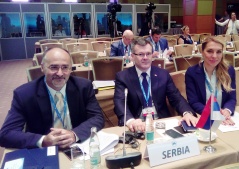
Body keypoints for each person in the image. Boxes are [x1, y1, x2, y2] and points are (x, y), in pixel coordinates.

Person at [0, 47, 104, 149]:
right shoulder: (24, 94)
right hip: (44, 150)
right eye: (54, 67)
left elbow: (97, 117)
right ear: (42, 67)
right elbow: (6, 134)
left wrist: (74, 134)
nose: (60, 73)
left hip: (76, 146)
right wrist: (43, 140)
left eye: (65, 67)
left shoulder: (84, 87)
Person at [114, 37, 198, 132]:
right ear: (132, 56)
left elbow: (176, 98)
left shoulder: (163, 74)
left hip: (161, 122)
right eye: (141, 54)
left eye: (148, 54)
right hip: (137, 123)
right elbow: (119, 103)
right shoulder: (123, 77)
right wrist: (131, 121)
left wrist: (187, 113)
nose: (145, 57)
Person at [185, 37, 236, 125]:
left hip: (225, 119)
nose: (214, 56)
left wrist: (227, 111)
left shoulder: (229, 70)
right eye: (210, 51)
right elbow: (193, 101)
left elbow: (232, 98)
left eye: (219, 52)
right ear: (202, 52)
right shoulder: (192, 73)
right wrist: (212, 113)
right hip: (204, 118)